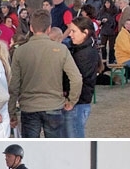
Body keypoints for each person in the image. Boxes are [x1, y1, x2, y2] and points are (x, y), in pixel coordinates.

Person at [8, 9, 82, 138]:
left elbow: (14, 85)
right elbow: (76, 79)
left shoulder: (20, 51)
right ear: (49, 29)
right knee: (54, 148)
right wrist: (72, 100)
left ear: (31, 27)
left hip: (29, 106)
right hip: (53, 105)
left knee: (31, 148)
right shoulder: (61, 49)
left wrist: (12, 112)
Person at [65, 16, 98, 138]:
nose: (70, 35)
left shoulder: (86, 53)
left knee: (74, 138)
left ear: (85, 33)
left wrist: (70, 98)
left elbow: (78, 79)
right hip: (77, 102)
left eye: (74, 31)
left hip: (78, 103)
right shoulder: (79, 49)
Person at [98, 0, 118, 64]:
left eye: (108, 3)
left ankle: (111, 61)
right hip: (104, 30)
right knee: (103, 47)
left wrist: (108, 20)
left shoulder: (115, 10)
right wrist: (101, 21)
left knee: (111, 48)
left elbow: (115, 20)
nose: (107, 4)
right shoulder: (102, 10)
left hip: (112, 30)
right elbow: (99, 18)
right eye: (106, 3)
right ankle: (104, 63)